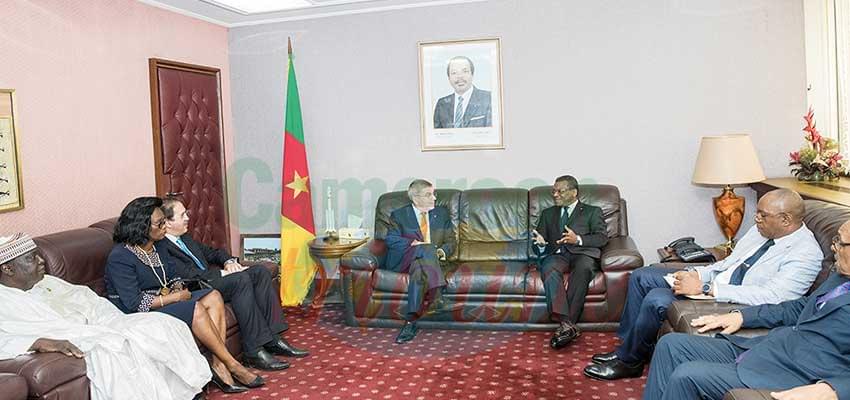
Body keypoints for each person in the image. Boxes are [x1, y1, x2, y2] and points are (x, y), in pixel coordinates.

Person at [584, 189, 823, 381]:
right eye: (757, 213)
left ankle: (630, 362)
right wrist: (696, 274)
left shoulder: (806, 253)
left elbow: (774, 296)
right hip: (717, 283)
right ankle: (628, 346)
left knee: (657, 298)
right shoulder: (761, 231)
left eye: (762, 215)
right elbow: (729, 263)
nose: (756, 218)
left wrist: (707, 290)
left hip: (736, 301)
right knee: (642, 275)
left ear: (785, 219)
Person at [642, 218, 850, 400]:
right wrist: (742, 316)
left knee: (686, 376)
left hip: (797, 372)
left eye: (840, 242)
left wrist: (834, 389)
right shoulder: (840, 276)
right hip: (771, 348)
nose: (833, 248)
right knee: (671, 345)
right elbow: (800, 307)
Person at [0, 232, 210, 400]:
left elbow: (89, 300)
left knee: (162, 324)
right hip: (81, 335)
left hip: (104, 321)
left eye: (38, 255)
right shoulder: (4, 300)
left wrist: (113, 321)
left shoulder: (48, 281)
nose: (41, 262)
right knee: (116, 349)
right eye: (31, 259)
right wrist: (38, 341)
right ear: (7, 268)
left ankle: (189, 392)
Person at [105, 197, 263, 394]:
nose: (165, 227)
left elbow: (173, 276)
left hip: (165, 300)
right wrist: (174, 298)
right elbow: (132, 302)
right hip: (138, 312)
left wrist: (178, 288)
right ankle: (232, 365)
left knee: (213, 296)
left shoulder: (159, 246)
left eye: (164, 221)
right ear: (141, 227)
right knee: (196, 308)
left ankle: (218, 365)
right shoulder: (120, 257)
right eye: (160, 223)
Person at [161, 197, 308, 371]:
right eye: (182, 215)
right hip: (199, 287)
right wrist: (225, 273)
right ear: (168, 223)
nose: (187, 217)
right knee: (240, 279)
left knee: (260, 272)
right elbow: (189, 276)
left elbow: (213, 253)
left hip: (215, 279)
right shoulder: (163, 247)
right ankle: (253, 351)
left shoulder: (185, 238)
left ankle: (273, 338)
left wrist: (229, 261)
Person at [532, 175, 609, 349]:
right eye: (554, 191)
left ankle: (566, 326)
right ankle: (567, 325)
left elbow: (602, 238)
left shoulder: (592, 211)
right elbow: (537, 243)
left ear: (574, 192)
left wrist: (578, 239)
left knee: (583, 270)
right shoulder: (548, 213)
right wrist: (541, 245)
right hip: (558, 254)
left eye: (560, 191)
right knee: (549, 267)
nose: (555, 194)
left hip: (583, 253)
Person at [384, 179, 456, 343]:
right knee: (426, 248)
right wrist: (412, 243)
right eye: (428, 194)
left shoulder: (442, 213)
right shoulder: (399, 215)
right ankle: (437, 296)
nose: (434, 198)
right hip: (405, 259)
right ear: (415, 198)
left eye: (433, 194)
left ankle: (410, 322)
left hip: (428, 262)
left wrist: (440, 251)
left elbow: (451, 241)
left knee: (419, 271)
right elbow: (391, 240)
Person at [433, 56, 492, 129]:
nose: (460, 77)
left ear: (472, 74)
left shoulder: (488, 98)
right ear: (449, 78)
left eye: (465, 71)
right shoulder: (442, 104)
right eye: (454, 73)